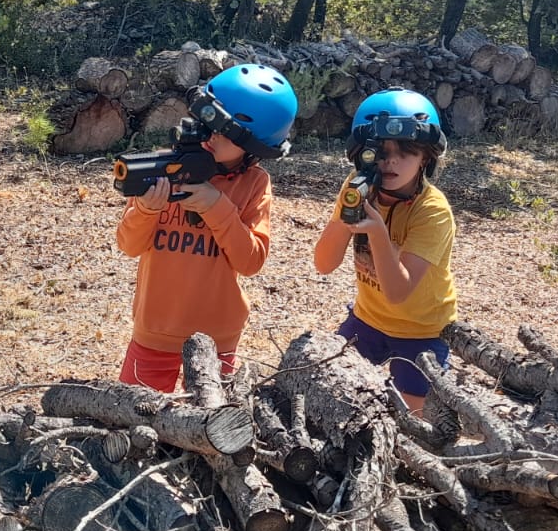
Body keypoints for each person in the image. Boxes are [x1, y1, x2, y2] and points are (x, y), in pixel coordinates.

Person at [116, 63, 299, 392]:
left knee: (208, 426)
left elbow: (251, 261)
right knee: (135, 420)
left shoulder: (254, 183)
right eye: (209, 121)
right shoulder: (164, 165)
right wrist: (147, 208)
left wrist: (215, 206)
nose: (213, 135)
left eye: (228, 133)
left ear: (254, 146)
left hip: (218, 337)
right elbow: (129, 245)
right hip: (156, 329)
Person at [313, 88, 458, 408]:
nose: (390, 160)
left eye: (406, 151)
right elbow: (324, 263)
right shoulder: (358, 186)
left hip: (422, 328)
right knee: (329, 389)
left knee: (413, 419)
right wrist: (346, 214)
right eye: (379, 151)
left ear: (426, 158)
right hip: (367, 318)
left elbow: (398, 292)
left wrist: (377, 232)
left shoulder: (432, 210)